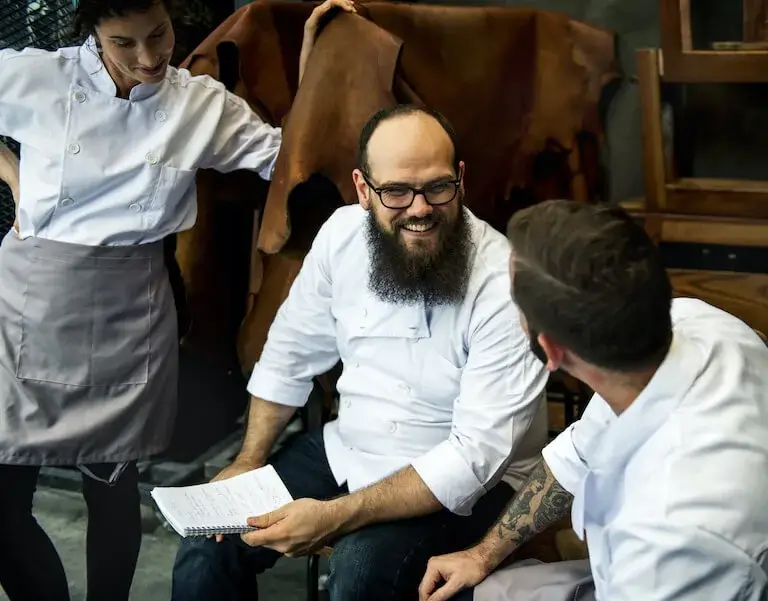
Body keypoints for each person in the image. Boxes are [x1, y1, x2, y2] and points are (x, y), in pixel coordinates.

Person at [0, 0, 355, 599]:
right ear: (92, 32)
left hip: (129, 308)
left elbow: (287, 156)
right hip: (33, 300)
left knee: (113, 486)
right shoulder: (38, 75)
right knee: (4, 500)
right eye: (124, 43)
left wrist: (312, 59)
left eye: (158, 35)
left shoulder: (198, 104)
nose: (148, 57)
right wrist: (13, 177)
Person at [170, 104, 550, 601]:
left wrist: (334, 516)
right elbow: (288, 354)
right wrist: (248, 460)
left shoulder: (503, 282)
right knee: (209, 543)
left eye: (437, 187)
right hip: (348, 447)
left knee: (358, 572)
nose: (420, 208)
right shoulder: (341, 237)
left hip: (464, 483)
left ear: (460, 179)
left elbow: (473, 457)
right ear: (362, 188)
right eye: (396, 191)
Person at [419, 199, 768, 601]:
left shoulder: (667, 531)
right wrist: (481, 555)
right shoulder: (692, 323)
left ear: (551, 350)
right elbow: (578, 453)